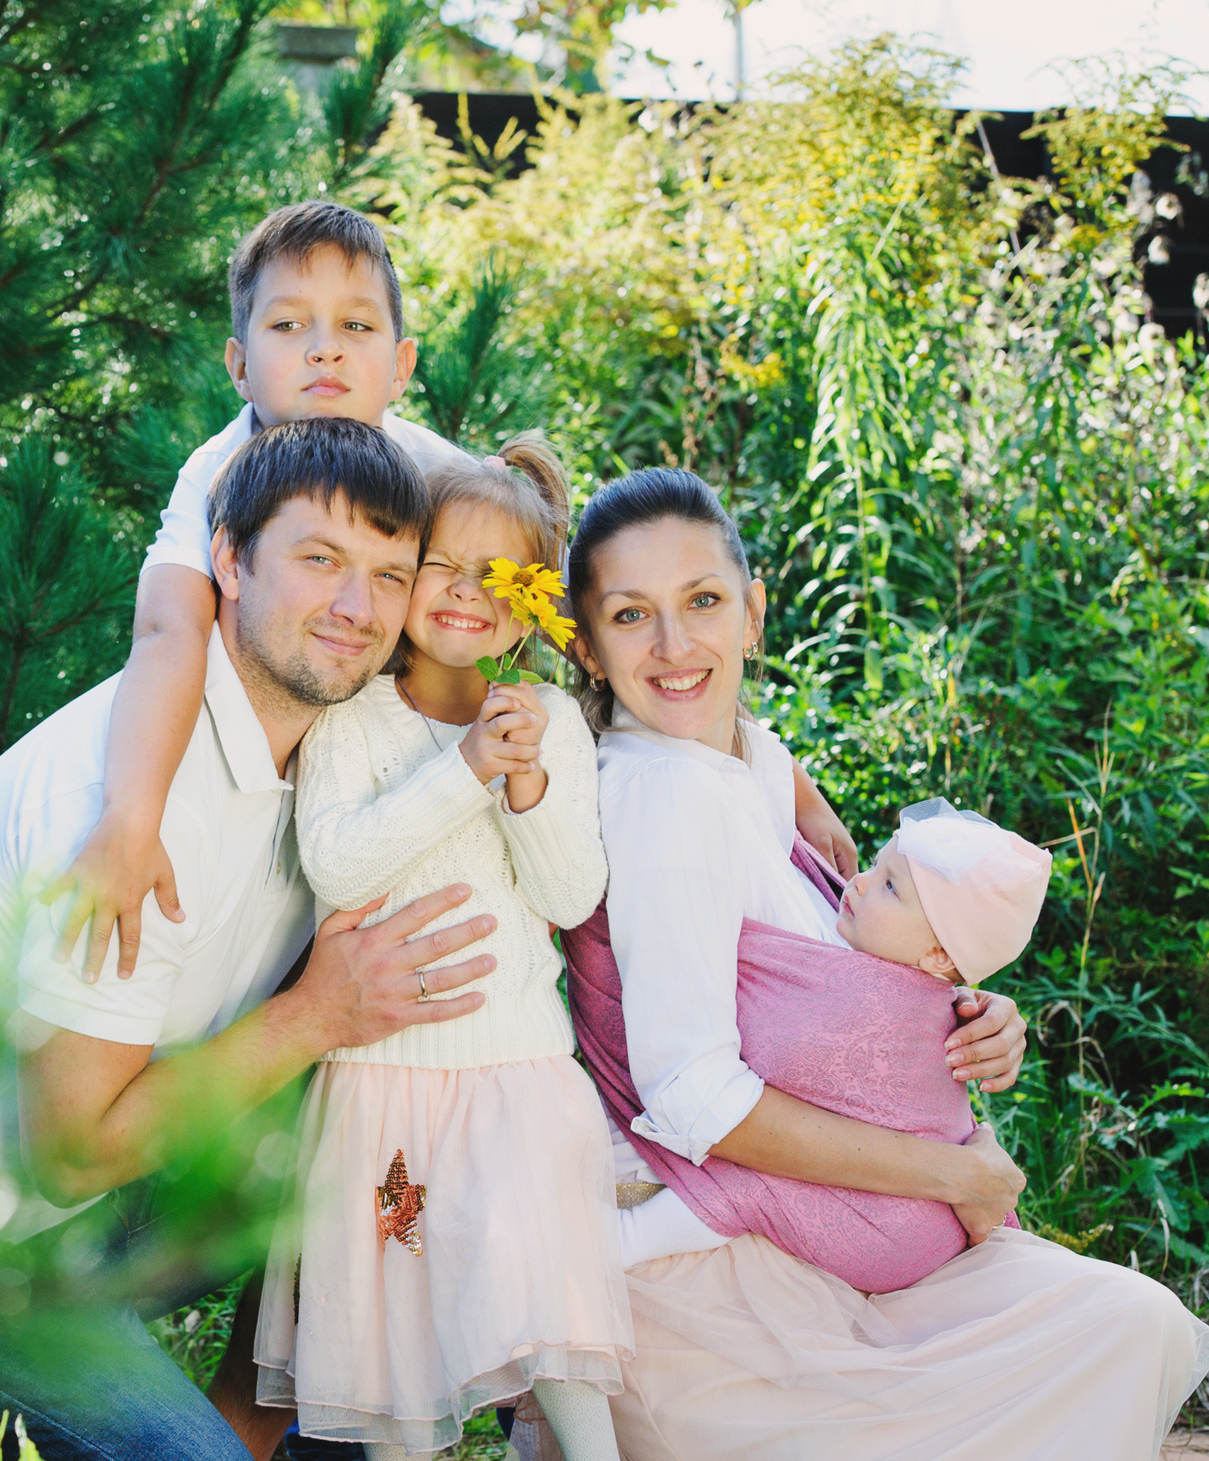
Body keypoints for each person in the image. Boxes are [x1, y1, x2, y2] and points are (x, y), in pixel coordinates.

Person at [280, 468, 1209, 1461]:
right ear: (583, 640)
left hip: (774, 1227)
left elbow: (851, 942)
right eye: (629, 616)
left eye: (702, 603)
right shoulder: (659, 804)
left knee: (1128, 1329)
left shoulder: (744, 766)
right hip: (697, 1281)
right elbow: (695, 1101)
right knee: (1101, 1355)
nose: (673, 644)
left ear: (755, 609)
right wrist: (955, 1170)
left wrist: (966, 1009)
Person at [0, 419, 502, 1461]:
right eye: (318, 560)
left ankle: (216, 1440)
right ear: (228, 558)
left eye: (386, 574)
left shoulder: (310, 752)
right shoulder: (135, 806)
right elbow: (76, 1152)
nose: (356, 607)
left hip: (31, 1209)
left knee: (332, 1133)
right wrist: (317, 1013)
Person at [44, 200, 859, 985]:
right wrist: (130, 817)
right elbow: (166, 633)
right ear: (238, 363)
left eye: (355, 326)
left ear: (400, 367)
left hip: (391, 758)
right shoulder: (217, 472)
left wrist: (792, 782)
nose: (323, 351)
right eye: (289, 325)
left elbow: (566, 590)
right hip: (254, 768)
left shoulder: (418, 458)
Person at [252, 436, 654, 1461]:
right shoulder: (356, 725)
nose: (467, 596)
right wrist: (463, 769)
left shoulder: (550, 730)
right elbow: (338, 861)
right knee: (390, 1311)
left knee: (540, 1304)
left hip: (515, 1081)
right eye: (443, 566)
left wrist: (521, 781)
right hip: (383, 1088)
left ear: (534, 603)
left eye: (502, 578)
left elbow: (571, 896)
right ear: (406, 572)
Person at [590, 797, 1061, 1293]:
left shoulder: (875, 1002)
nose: (857, 881)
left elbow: (778, 1065)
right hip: (925, 1224)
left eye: (889, 886)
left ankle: (621, 1241)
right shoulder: (936, 1001)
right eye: (877, 867)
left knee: (749, 1186)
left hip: (891, 1234)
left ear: (939, 954)